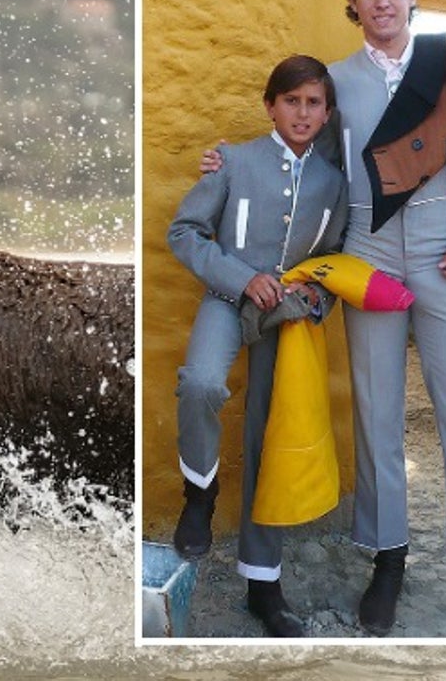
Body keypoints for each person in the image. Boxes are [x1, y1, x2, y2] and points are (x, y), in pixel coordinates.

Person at [201, 0, 446, 638]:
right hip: (368, 252)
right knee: (379, 415)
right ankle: (388, 559)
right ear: (354, 3)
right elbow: (301, 157)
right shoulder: (338, 82)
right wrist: (230, 162)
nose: (382, 0)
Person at [167, 55, 348, 638]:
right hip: (228, 295)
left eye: (313, 102)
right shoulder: (234, 161)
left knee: (270, 436)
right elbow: (184, 231)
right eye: (291, 100)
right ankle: (200, 491)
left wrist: (317, 302)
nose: (302, 112)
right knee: (199, 383)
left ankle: (263, 584)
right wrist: (240, 277)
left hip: (287, 316)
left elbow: (335, 261)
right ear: (271, 105)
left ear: (326, 113)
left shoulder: (334, 182)